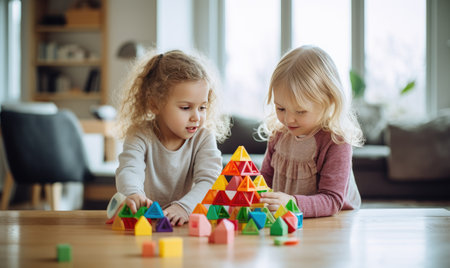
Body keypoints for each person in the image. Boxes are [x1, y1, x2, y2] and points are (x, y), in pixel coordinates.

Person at [115, 49, 230, 226]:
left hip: (184, 223)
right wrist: (133, 193)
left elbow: (210, 180)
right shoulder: (139, 134)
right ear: (155, 104)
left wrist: (185, 207)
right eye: (186, 108)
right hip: (147, 222)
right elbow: (129, 168)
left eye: (202, 108)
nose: (196, 117)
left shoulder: (203, 138)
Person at [258, 45, 364, 218]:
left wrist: (292, 204)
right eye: (281, 108)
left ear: (328, 101)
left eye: (300, 111)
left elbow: (332, 200)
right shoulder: (278, 134)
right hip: (290, 221)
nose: (288, 120)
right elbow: (265, 180)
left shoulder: (336, 142)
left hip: (334, 224)